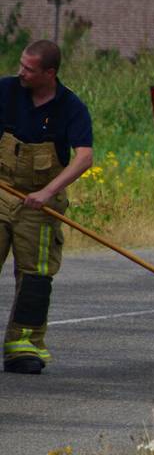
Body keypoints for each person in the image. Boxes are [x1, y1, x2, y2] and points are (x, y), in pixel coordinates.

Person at [0, 40, 94, 375]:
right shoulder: (6, 90)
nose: (21, 72)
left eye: (29, 69)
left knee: (36, 275)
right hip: (2, 192)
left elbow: (84, 157)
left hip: (40, 204)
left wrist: (47, 192)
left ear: (49, 73)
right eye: (21, 65)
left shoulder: (71, 107)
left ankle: (22, 345)